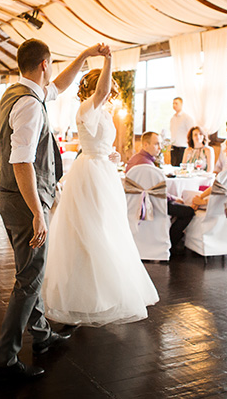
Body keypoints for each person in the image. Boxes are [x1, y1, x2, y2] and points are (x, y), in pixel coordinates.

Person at [0, 40, 107, 383]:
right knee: (29, 279)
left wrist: (85, 57)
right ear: (44, 64)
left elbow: (59, 85)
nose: (54, 70)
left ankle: (42, 337)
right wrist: (37, 213)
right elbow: (22, 161)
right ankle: (4, 360)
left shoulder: (20, 91)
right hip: (23, 198)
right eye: (52, 63)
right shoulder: (28, 104)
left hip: (10, 195)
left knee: (30, 271)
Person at [44, 49, 159, 328]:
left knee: (107, 230)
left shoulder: (102, 111)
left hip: (104, 170)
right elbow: (102, 93)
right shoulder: (87, 107)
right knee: (88, 233)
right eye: (106, 91)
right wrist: (108, 60)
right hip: (90, 174)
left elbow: (100, 142)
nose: (109, 96)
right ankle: (82, 297)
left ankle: (103, 293)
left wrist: (112, 155)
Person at [126, 131, 196, 254]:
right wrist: (173, 198)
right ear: (145, 145)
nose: (160, 147)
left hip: (133, 204)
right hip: (152, 204)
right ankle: (170, 242)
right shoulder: (147, 165)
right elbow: (157, 192)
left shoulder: (134, 159)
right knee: (188, 211)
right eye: (156, 144)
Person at [169, 97, 194, 167]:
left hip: (183, 147)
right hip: (173, 147)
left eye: (176, 103)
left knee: (181, 168)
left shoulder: (187, 118)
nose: (174, 105)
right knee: (173, 167)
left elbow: (191, 133)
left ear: (181, 104)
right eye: (173, 103)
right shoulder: (172, 118)